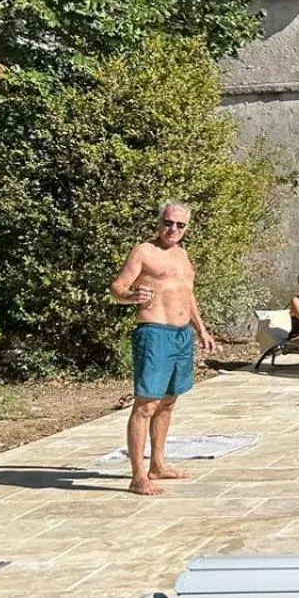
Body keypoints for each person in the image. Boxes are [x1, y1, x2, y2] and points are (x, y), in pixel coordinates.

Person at [110, 201, 217, 496]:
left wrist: (202, 329)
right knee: (146, 405)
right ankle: (138, 476)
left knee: (169, 401)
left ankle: (157, 464)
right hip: (154, 333)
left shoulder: (183, 256)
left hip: (182, 336)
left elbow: (188, 295)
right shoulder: (144, 251)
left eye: (180, 225)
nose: (173, 229)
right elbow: (117, 287)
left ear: (186, 228)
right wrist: (132, 295)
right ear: (159, 223)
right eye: (168, 223)